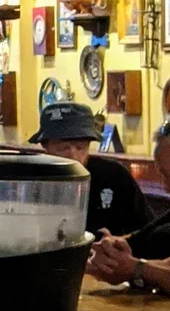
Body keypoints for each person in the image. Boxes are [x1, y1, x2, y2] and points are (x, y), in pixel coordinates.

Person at [32, 99, 150, 238]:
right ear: (45, 146)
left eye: (80, 147)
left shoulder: (113, 176)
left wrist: (119, 243)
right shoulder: (31, 180)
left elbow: (146, 230)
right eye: (62, 148)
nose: (73, 155)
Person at [88, 116, 170, 287]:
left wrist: (135, 269)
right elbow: (165, 261)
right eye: (161, 175)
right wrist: (114, 245)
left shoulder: (112, 174)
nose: (167, 189)